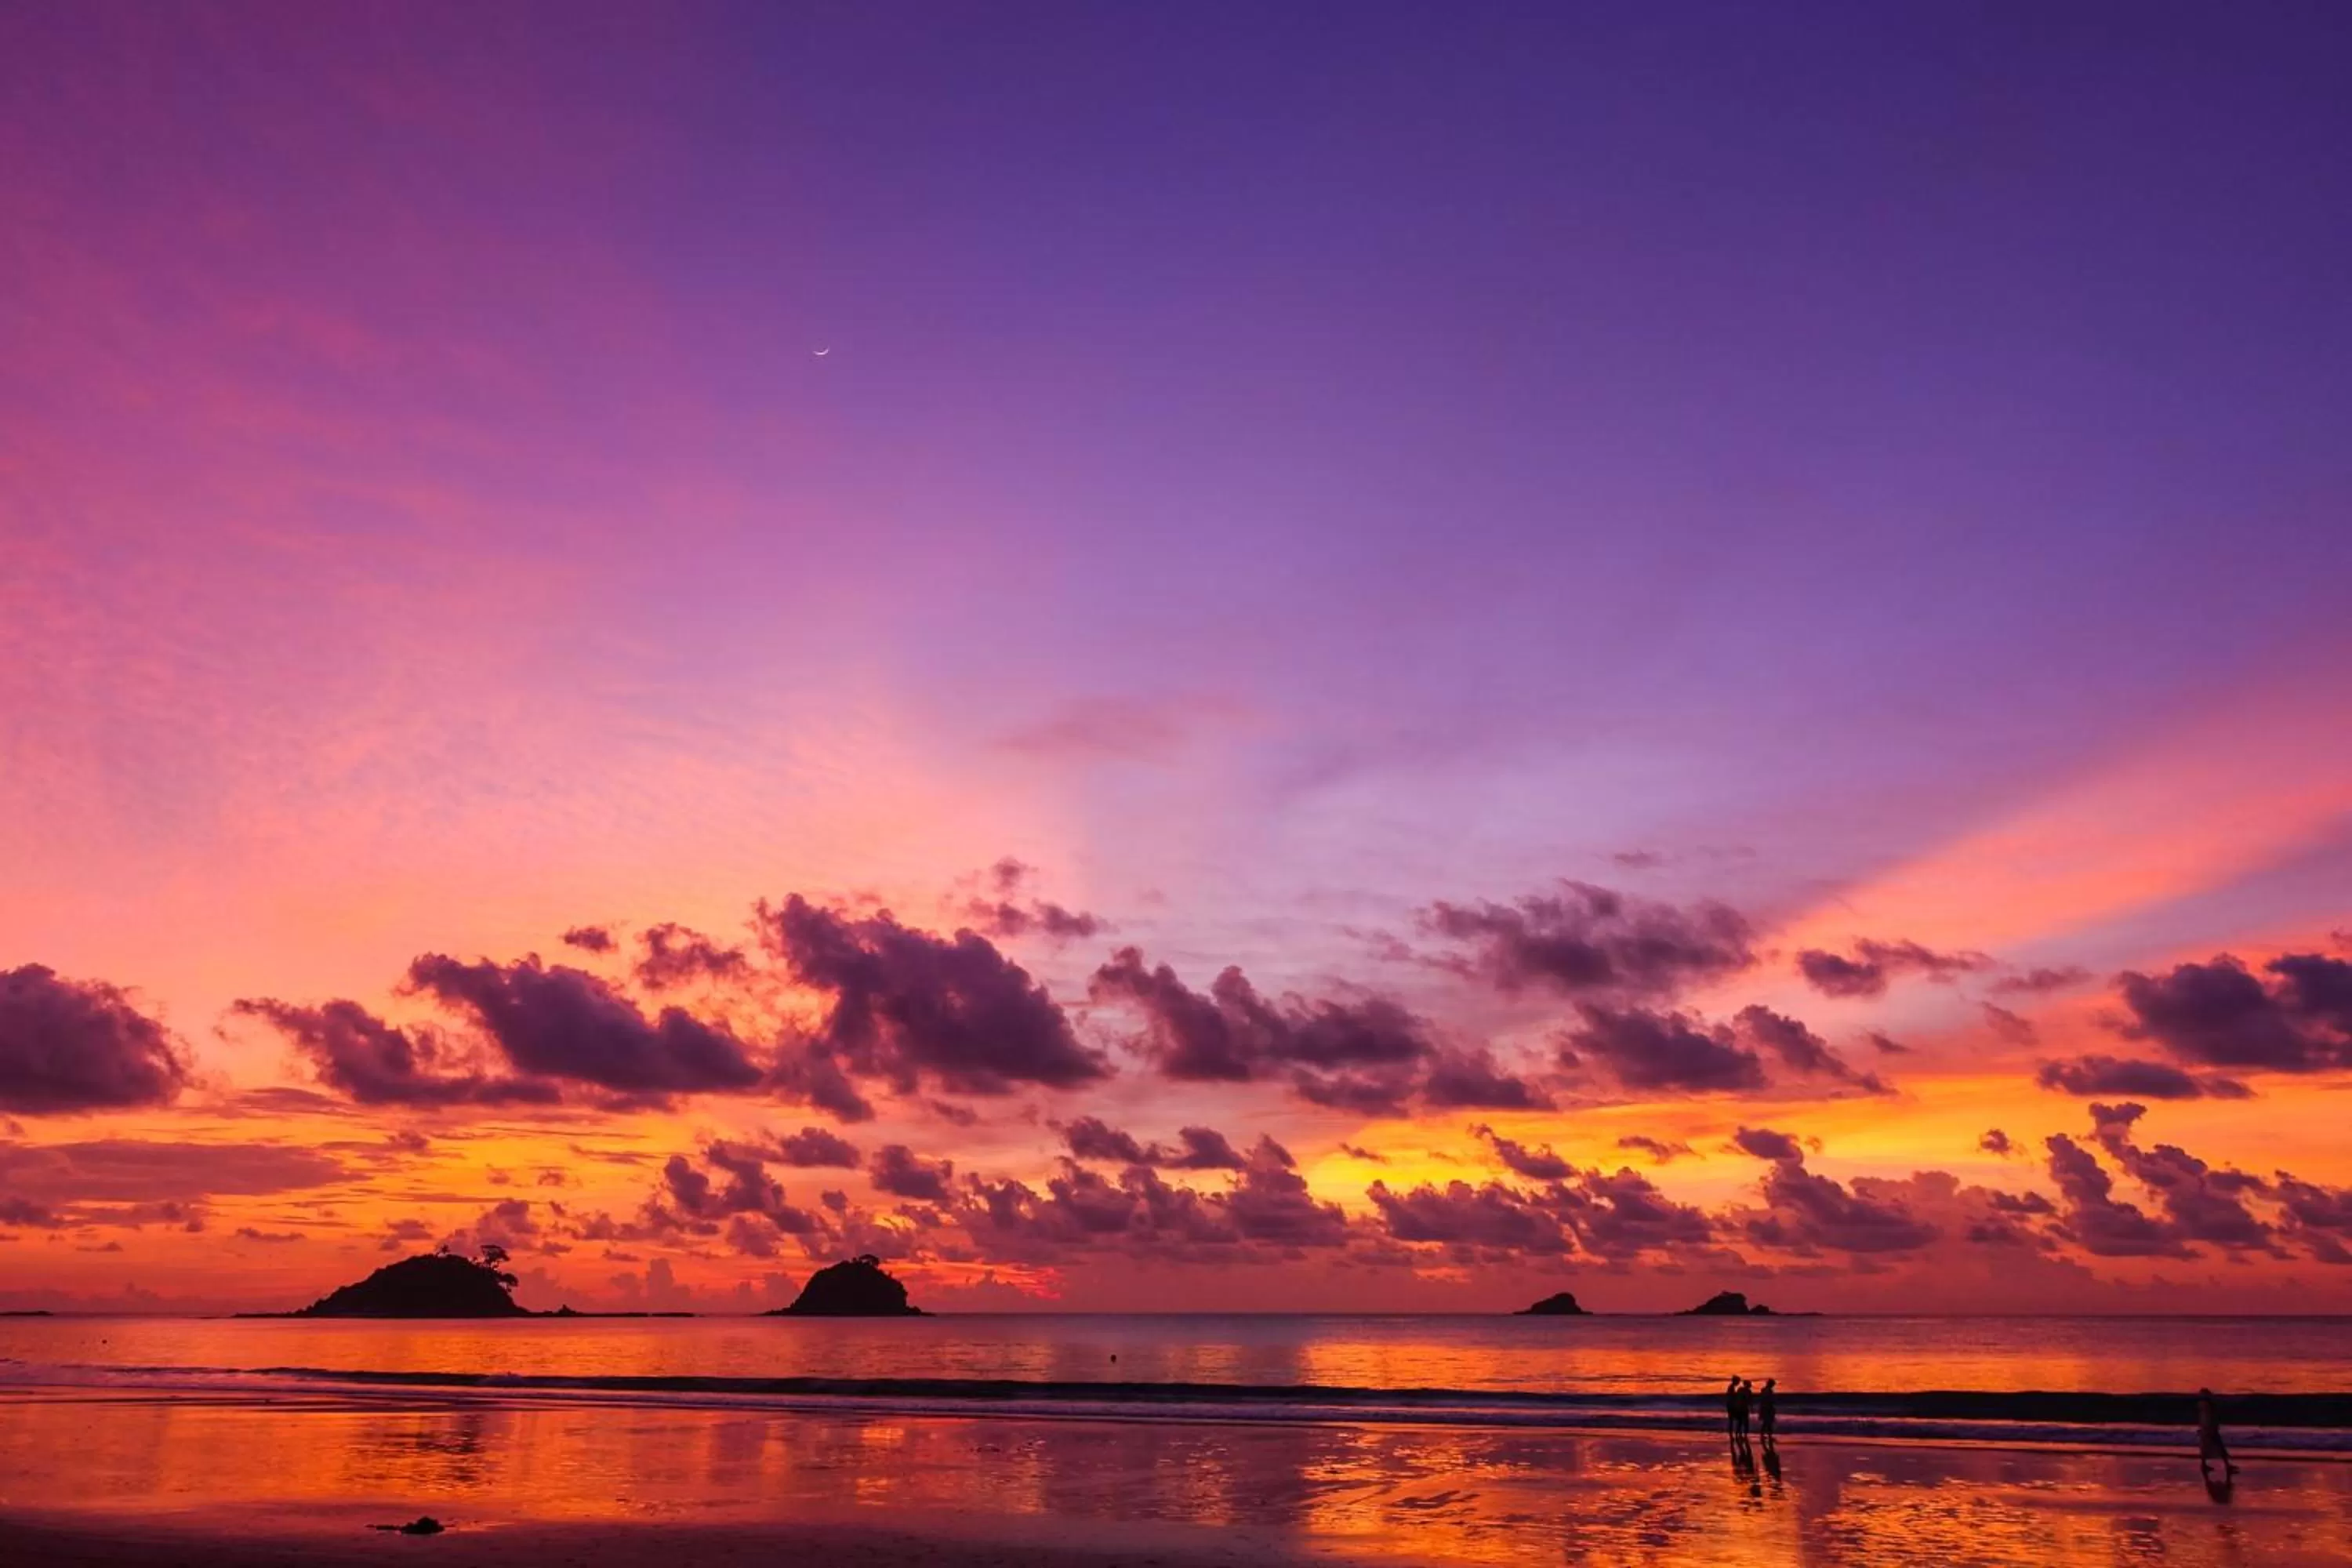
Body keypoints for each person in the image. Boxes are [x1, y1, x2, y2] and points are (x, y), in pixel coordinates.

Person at [2196, 1388, 2236, 1475]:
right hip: (2210, 1430)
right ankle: (2227, 1466)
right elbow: (2208, 1419)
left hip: (2206, 1429)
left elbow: (2203, 1419)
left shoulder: (2203, 1406)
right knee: (2220, 1448)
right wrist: (2211, 1428)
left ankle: (2204, 1465)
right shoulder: (2207, 1406)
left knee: (2206, 1448)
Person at [1757, 1377, 1777, 1444]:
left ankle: (1764, 1435)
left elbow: (1763, 1400)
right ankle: (1768, 1436)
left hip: (1764, 1408)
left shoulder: (1763, 1390)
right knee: (1768, 1423)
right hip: (1768, 1408)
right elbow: (1770, 1401)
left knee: (1766, 1423)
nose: (1773, 1386)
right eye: (1773, 1384)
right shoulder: (1769, 1391)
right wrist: (1772, 1409)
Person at [1726, 1375, 1744, 1439]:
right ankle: (1737, 1434)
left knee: (1732, 1421)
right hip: (1732, 1407)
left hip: (1730, 1406)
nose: (1739, 1383)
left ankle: (1733, 1434)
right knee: (1739, 1420)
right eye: (1738, 1381)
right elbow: (1732, 1398)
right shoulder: (1731, 1388)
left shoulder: (1731, 1387)